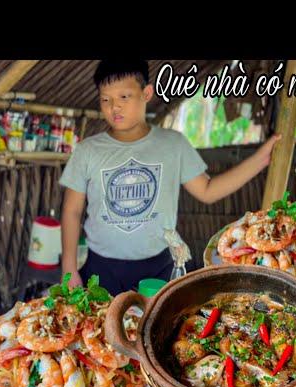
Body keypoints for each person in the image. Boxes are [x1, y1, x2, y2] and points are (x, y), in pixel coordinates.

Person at [59, 60, 281, 295]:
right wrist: (69, 268)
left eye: (124, 97)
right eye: (106, 99)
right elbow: (71, 212)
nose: (114, 107)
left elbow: (208, 190)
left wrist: (260, 160)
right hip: (100, 269)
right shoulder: (88, 150)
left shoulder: (172, 144)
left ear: (146, 93)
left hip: (158, 268)